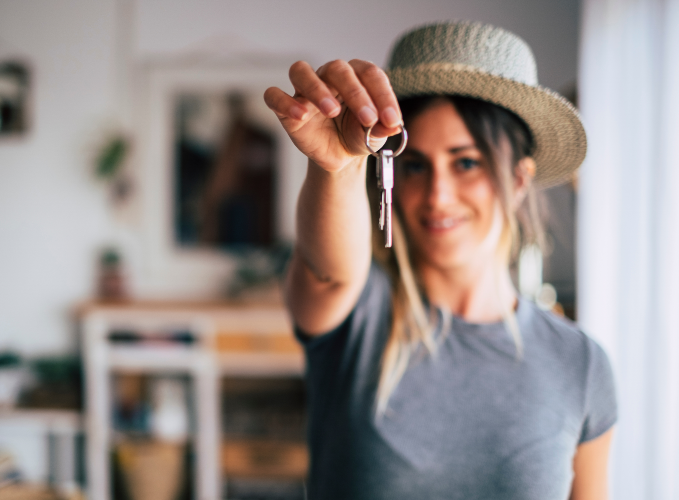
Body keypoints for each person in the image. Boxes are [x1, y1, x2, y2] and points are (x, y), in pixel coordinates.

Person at [264, 21, 616, 500]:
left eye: (466, 162)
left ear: (517, 180)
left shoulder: (580, 364)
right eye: (415, 165)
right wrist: (338, 168)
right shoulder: (359, 316)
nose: (437, 196)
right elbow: (327, 272)